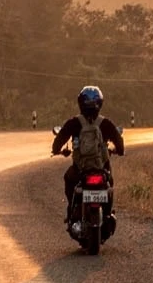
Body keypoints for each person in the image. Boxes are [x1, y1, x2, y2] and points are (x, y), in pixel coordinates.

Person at [51, 85, 124, 216]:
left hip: (80, 168)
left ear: (80, 103)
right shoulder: (106, 123)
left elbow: (58, 141)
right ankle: (107, 213)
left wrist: (57, 151)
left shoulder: (73, 123)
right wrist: (119, 150)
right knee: (109, 182)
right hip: (102, 167)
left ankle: (72, 210)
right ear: (100, 103)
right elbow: (119, 142)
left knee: (69, 179)